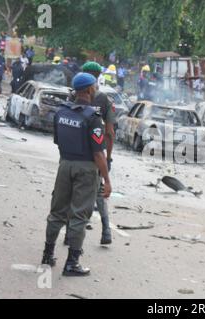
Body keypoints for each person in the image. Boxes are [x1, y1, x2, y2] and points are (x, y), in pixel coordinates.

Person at [41, 73, 112, 276]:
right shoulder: (93, 118)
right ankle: (72, 263)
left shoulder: (61, 113)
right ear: (90, 90)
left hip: (65, 164)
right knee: (79, 215)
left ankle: (47, 254)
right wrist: (106, 180)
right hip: (86, 169)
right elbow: (99, 153)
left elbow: (58, 142)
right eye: (95, 87)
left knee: (56, 212)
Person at [64, 61, 116, 246]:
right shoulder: (105, 100)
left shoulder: (72, 96)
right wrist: (107, 158)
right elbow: (109, 133)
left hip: (72, 152)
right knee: (99, 190)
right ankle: (106, 230)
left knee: (71, 191)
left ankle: (69, 232)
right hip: (96, 154)